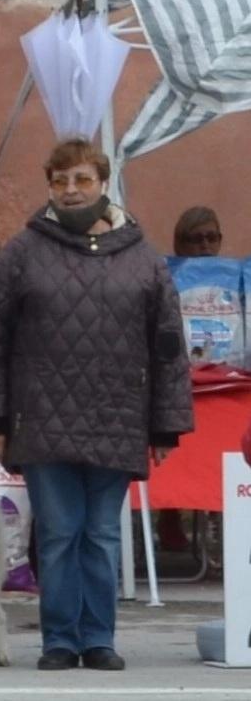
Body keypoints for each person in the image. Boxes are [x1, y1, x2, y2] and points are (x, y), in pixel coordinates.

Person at [0, 138, 193, 672]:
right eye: (60, 181)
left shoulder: (144, 258)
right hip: (42, 420)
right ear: (49, 187)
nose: (71, 191)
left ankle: (100, 639)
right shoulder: (20, 253)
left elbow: (167, 345)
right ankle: (60, 640)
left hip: (117, 418)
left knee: (103, 533)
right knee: (61, 532)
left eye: (82, 180)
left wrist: (165, 427)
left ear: (102, 183)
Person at [157, 206, 223, 559]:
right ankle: (169, 514)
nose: (205, 246)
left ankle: (222, 516)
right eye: (196, 239)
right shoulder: (165, 280)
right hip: (178, 378)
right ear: (179, 244)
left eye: (212, 238)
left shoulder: (233, 282)